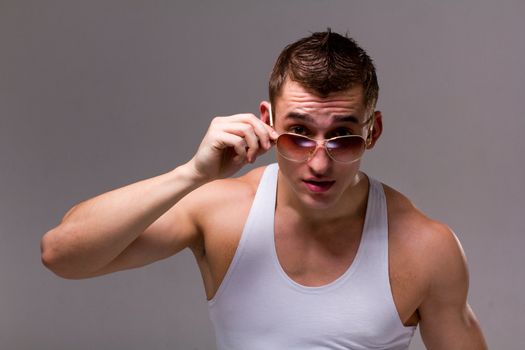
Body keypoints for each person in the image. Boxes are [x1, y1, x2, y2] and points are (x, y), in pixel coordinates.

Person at [41, 30, 487, 349]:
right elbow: (62, 255)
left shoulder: (426, 248)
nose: (318, 161)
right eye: (298, 133)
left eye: (343, 136)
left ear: (373, 132)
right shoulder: (222, 211)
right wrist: (191, 174)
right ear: (267, 121)